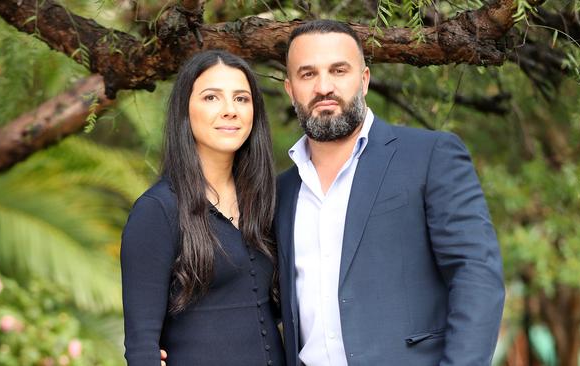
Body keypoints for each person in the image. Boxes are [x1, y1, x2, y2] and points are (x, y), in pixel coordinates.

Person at [274, 20, 505, 365]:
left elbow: (476, 277)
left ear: (364, 80)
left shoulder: (430, 156)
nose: (324, 87)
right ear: (290, 89)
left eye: (338, 70)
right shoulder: (281, 192)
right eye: (308, 75)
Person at [121, 50, 285, 366]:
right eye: (211, 98)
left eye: (241, 99)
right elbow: (141, 346)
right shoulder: (158, 210)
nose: (229, 111)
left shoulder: (268, 200)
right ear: (185, 110)